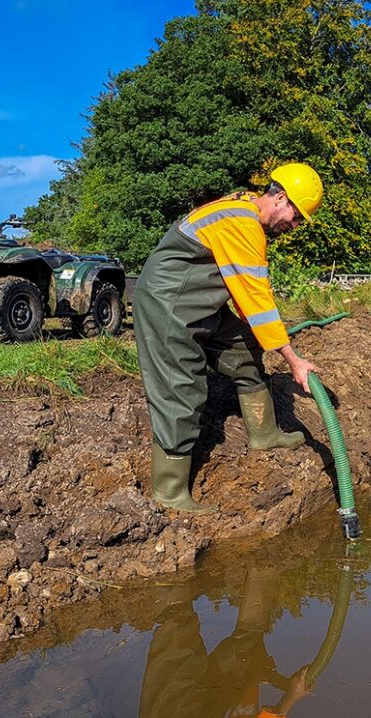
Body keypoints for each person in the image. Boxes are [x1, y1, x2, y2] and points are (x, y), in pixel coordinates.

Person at [133, 163, 324, 513]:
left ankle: (264, 435)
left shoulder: (244, 210)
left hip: (198, 300)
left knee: (243, 346)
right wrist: (294, 361)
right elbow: (257, 300)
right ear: (280, 198)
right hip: (169, 304)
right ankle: (170, 492)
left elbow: (241, 290)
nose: (294, 226)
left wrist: (263, 336)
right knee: (181, 389)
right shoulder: (242, 222)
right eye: (296, 216)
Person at [136, 566, 315, 718]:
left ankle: (167, 559)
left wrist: (290, 697)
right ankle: (265, 565)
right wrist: (255, 677)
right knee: (241, 655)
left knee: (176, 633)